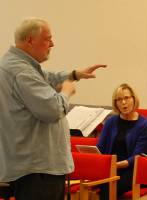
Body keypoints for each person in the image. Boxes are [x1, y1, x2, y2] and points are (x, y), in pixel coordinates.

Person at [0, 17, 106, 200]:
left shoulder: (14, 64)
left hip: (31, 167)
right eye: (48, 39)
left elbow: (46, 77)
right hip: (38, 170)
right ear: (30, 40)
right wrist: (66, 91)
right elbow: (52, 109)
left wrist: (74, 74)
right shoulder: (22, 72)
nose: (52, 44)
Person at [97, 83, 147, 199]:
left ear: (134, 99)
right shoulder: (111, 122)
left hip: (132, 170)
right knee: (104, 182)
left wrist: (114, 166)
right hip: (110, 168)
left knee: (108, 184)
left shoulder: (144, 125)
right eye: (119, 99)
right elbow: (100, 148)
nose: (123, 102)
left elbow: (138, 157)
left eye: (126, 98)